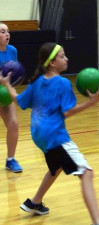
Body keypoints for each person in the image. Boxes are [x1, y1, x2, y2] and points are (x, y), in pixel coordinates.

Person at [0, 42, 99, 225]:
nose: (66, 58)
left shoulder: (36, 82)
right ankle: (98, 221)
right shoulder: (62, 83)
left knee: (56, 167)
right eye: (62, 56)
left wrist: (6, 84)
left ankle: (35, 202)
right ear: (52, 63)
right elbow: (67, 112)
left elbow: (20, 101)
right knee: (86, 172)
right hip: (55, 136)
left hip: (39, 136)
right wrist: (91, 103)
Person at [0, 22, 22, 172]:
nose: (7, 34)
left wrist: (12, 87)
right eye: (2, 31)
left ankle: (10, 160)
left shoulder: (12, 50)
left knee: (13, 124)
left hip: (5, 94)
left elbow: (15, 73)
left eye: (8, 31)